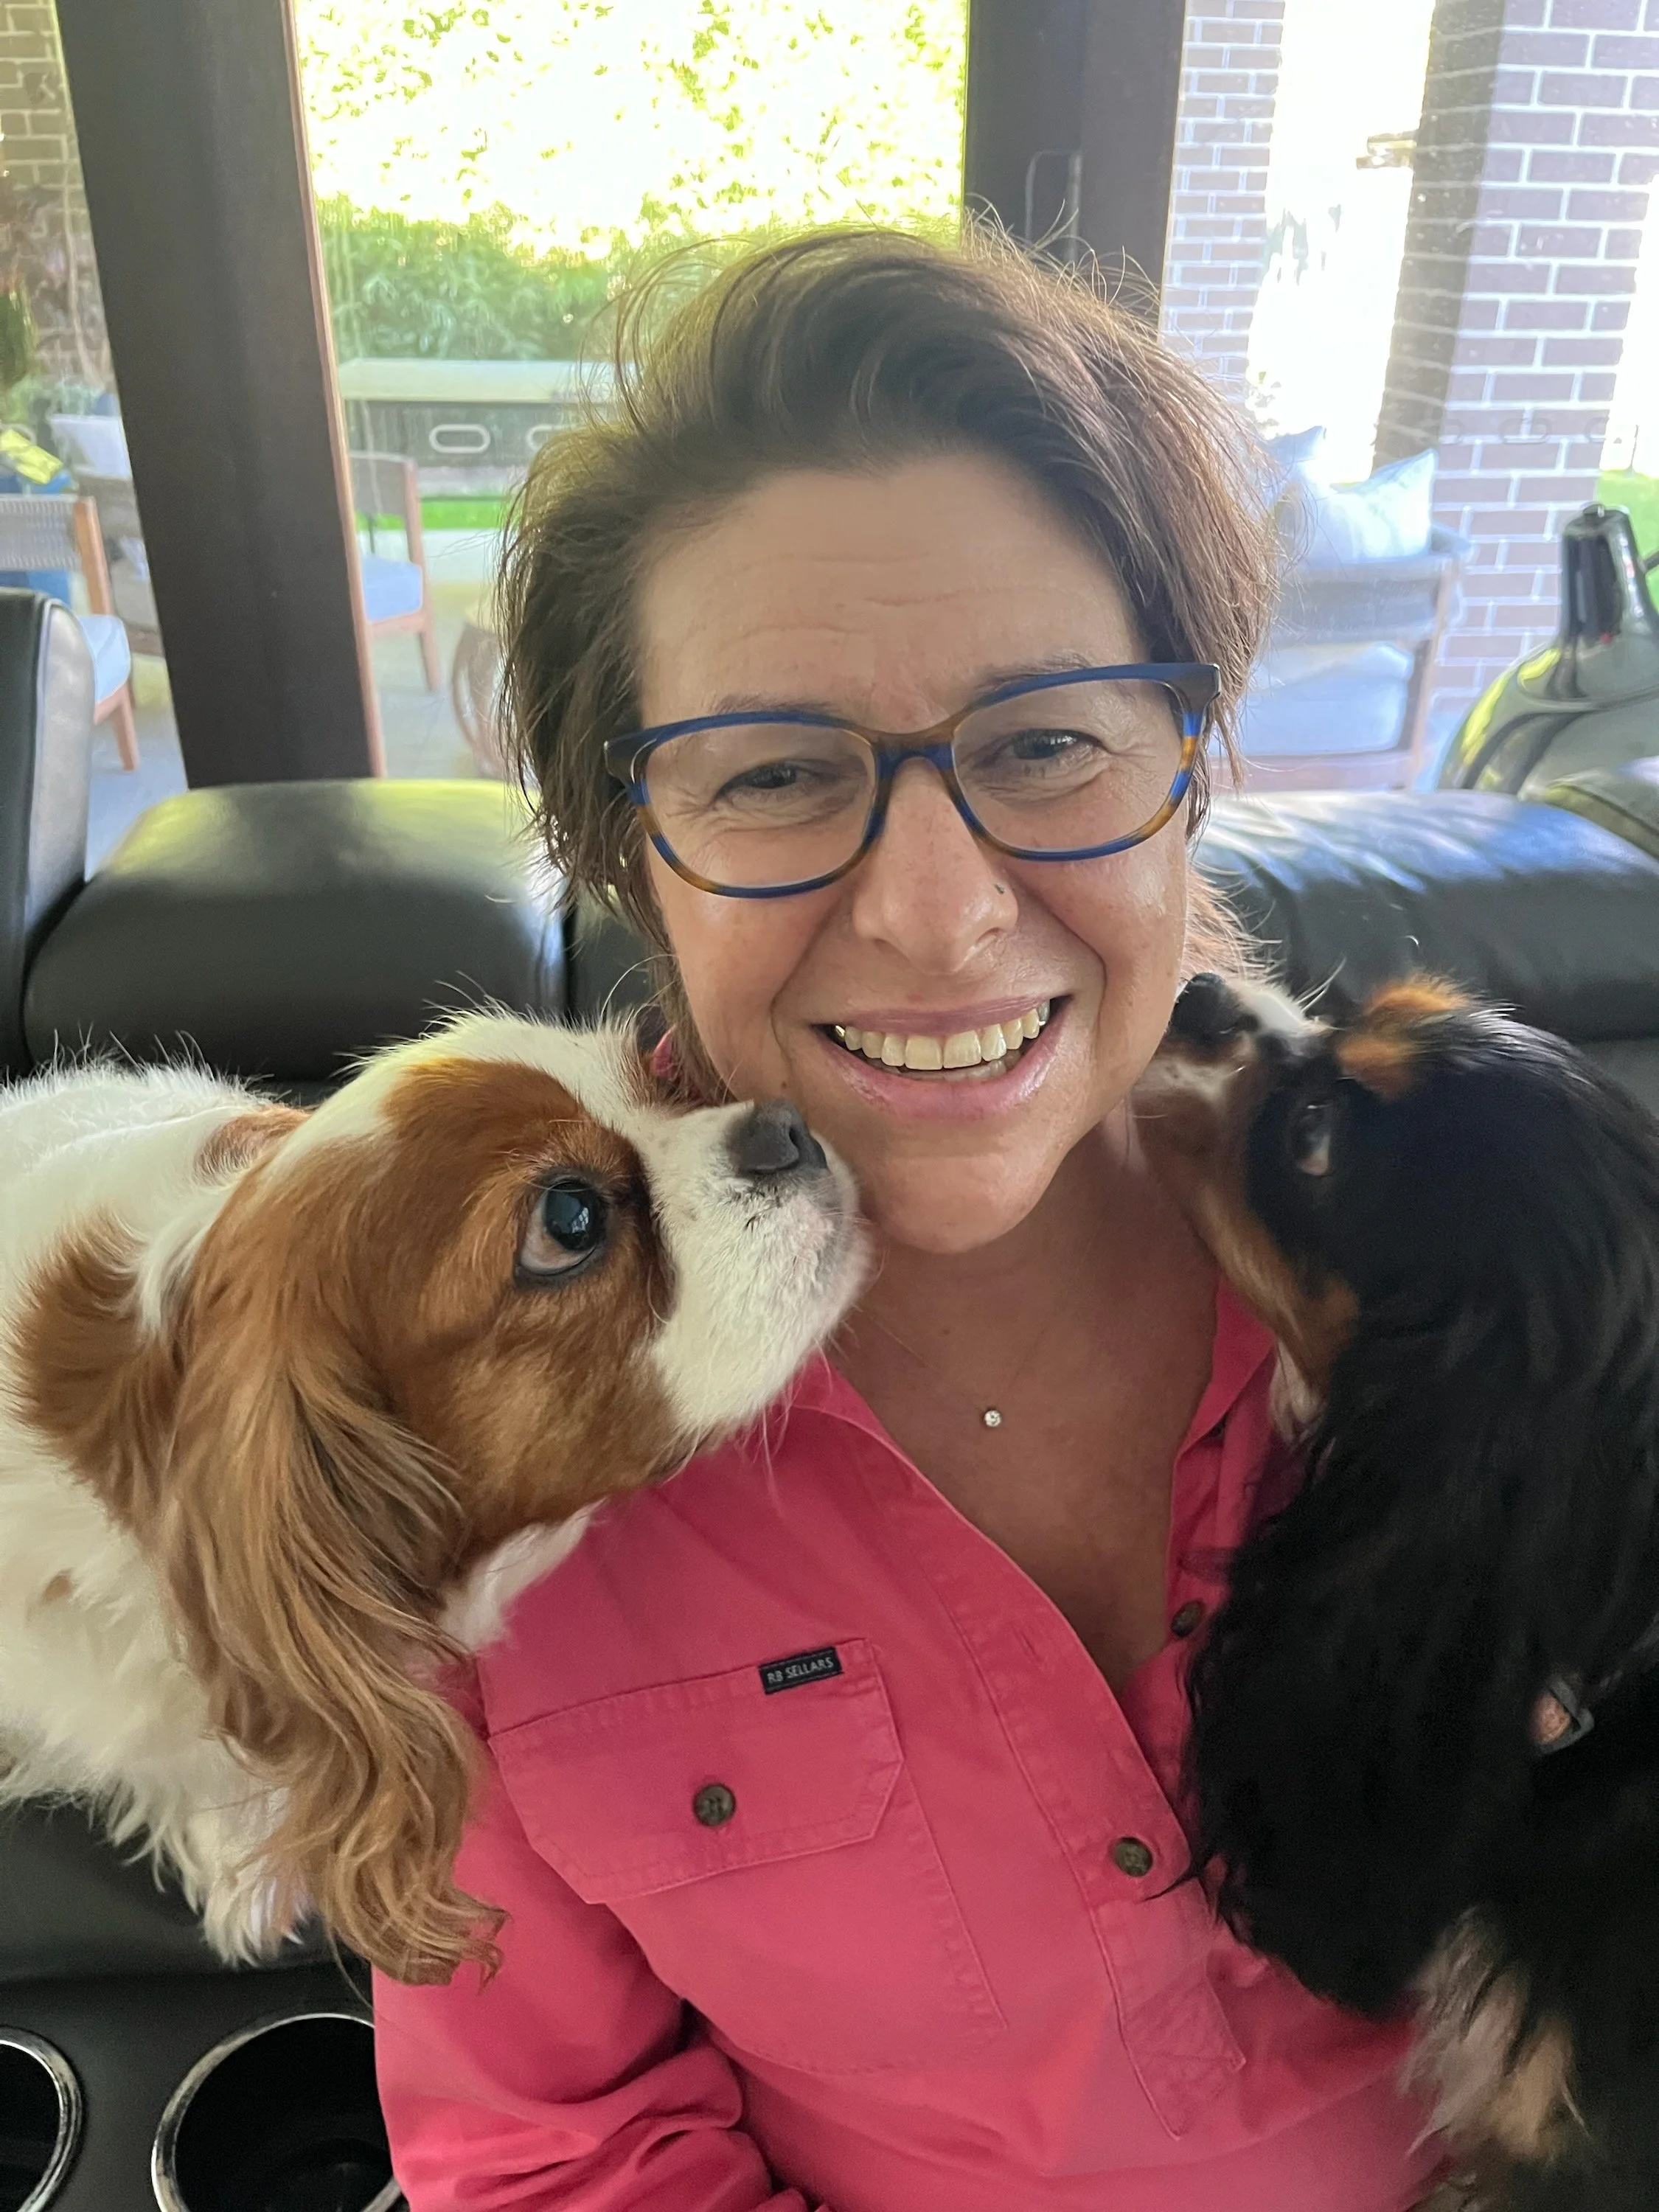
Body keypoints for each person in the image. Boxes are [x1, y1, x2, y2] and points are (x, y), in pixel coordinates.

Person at [373, 229, 1456, 2212]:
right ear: (634, 851)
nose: (943, 916)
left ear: (1191, 773)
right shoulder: (477, 1458)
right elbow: (559, 2153)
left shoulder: (1494, 1272)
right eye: (780, 775)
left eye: (1049, 745)